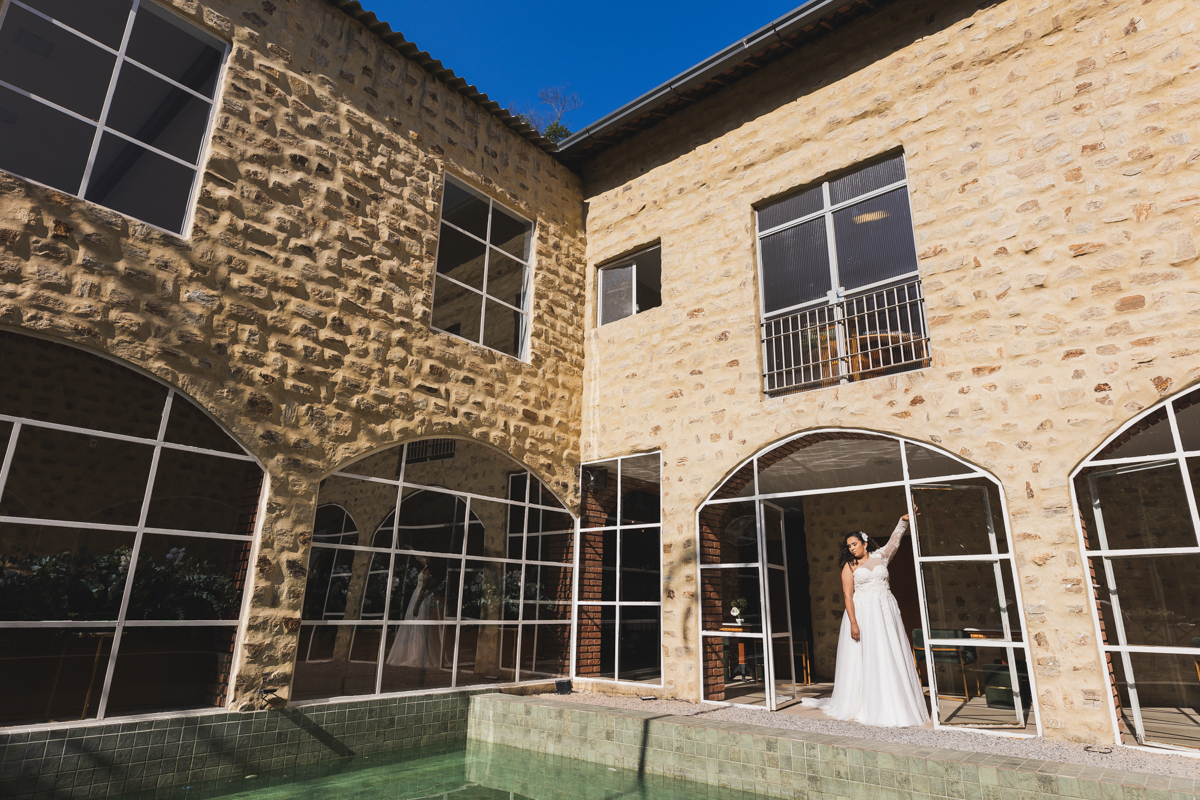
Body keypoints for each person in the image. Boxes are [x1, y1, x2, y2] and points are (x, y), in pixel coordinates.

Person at [801, 512, 930, 727]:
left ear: (865, 543)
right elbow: (847, 596)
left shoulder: (881, 557)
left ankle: (895, 701)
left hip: (885, 610)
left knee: (890, 651)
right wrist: (853, 623)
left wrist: (903, 522)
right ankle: (868, 703)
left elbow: (894, 541)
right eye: (849, 546)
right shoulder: (849, 566)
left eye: (854, 544)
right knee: (868, 655)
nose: (852, 548)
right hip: (863, 614)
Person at [385, 555, 445, 669]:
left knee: (420, 626)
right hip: (417, 595)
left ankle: (419, 655)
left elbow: (424, 587)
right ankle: (414, 652)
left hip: (421, 598)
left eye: (428, 558)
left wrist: (416, 605)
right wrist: (411, 549)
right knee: (414, 626)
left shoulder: (428, 571)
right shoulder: (425, 566)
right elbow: (419, 558)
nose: (425, 559)